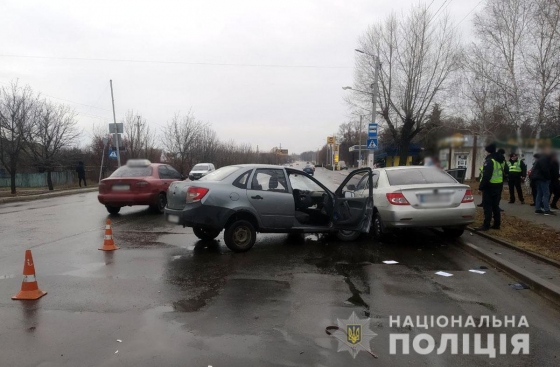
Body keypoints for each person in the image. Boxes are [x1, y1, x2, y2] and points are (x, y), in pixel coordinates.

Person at [475, 144, 503, 231]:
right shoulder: (499, 160)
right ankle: (496, 224)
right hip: (498, 185)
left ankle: (486, 225)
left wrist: (481, 187)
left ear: (488, 151)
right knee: (495, 206)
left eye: (486, 151)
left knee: (487, 207)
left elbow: (486, 176)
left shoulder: (490, 161)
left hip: (490, 187)